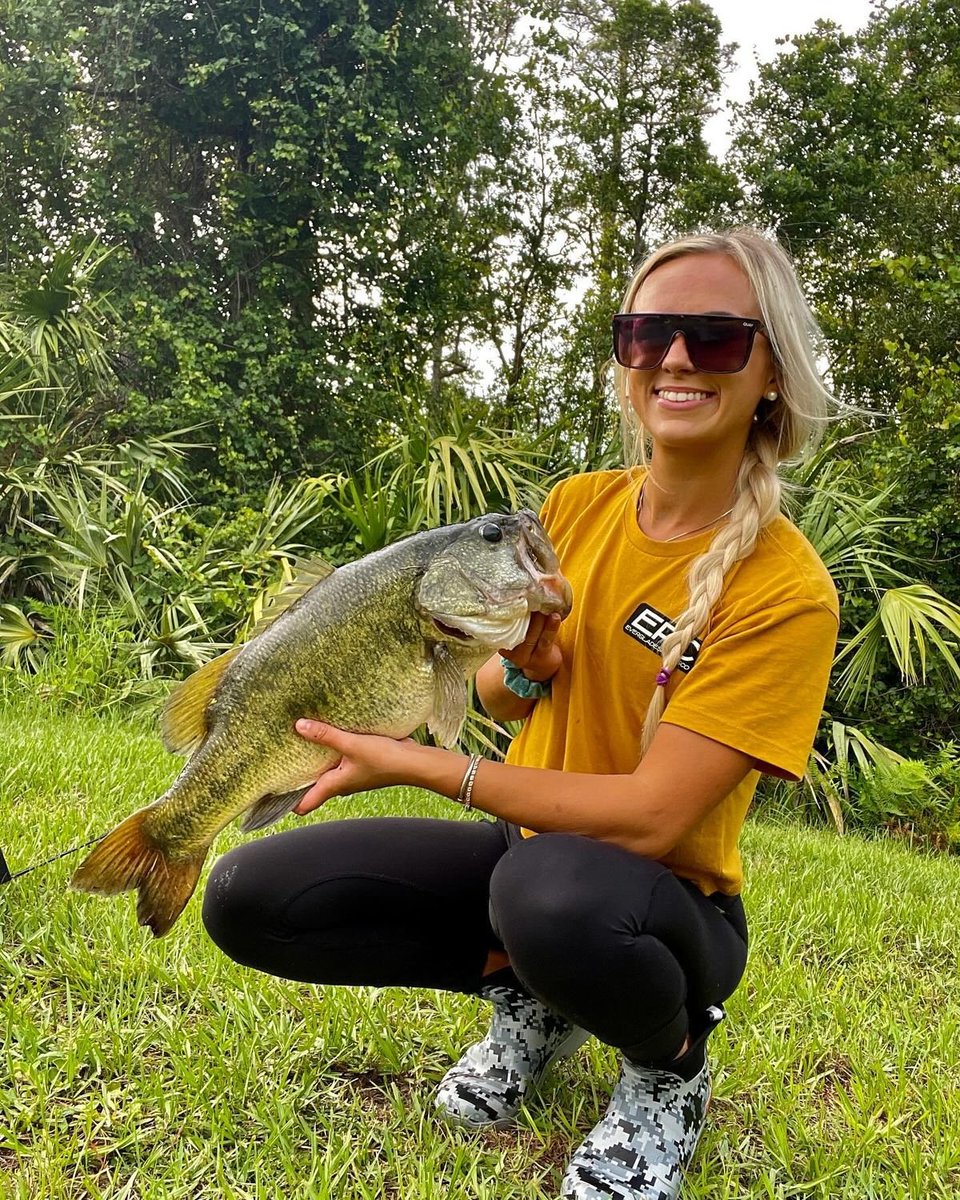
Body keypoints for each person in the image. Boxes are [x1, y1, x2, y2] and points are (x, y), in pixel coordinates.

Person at [202, 227, 839, 1200]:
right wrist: (533, 667)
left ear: (772, 376)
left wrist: (415, 764)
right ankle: (538, 1005)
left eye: (713, 337)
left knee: (553, 893)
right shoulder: (577, 507)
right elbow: (497, 691)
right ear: (625, 362)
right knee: (252, 895)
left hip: (670, 911)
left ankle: (668, 1066)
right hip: (527, 854)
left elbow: (656, 817)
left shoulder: (786, 587)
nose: (673, 358)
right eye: (645, 333)